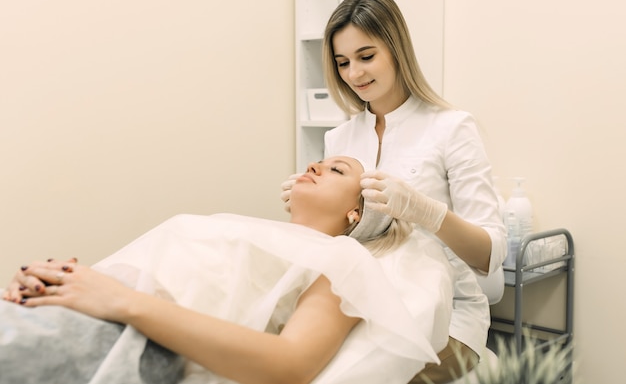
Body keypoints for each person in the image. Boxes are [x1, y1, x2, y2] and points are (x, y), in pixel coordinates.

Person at [1, 156, 454, 384]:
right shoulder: (252, 232)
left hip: (129, 341)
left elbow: (291, 365)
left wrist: (122, 301)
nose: (315, 164)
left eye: (337, 169)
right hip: (79, 313)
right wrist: (56, 281)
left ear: (358, 213)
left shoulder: (346, 262)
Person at [281, 0, 507, 384]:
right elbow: (338, 243)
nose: (354, 74)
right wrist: (306, 211)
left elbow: (490, 255)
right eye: (343, 63)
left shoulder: (452, 128)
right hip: (362, 307)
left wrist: (428, 213)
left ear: (396, 49)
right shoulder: (339, 140)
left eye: (366, 57)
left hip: (449, 316)